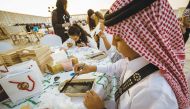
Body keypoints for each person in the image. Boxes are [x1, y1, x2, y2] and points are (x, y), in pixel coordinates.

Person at [74, 0, 190, 109]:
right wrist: (91, 68)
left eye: (118, 38)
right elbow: (116, 66)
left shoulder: (154, 91)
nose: (113, 43)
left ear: (142, 39)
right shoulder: (136, 59)